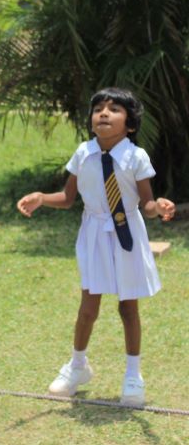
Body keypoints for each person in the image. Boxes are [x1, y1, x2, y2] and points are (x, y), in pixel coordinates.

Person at [17, 88, 175, 406]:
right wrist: (41, 199)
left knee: (128, 308)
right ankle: (77, 366)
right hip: (93, 232)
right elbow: (68, 198)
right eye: (98, 109)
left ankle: (133, 375)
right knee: (88, 307)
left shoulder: (135, 156)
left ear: (129, 124)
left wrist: (158, 207)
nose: (103, 113)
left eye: (114, 109)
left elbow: (146, 203)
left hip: (126, 234)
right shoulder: (83, 153)